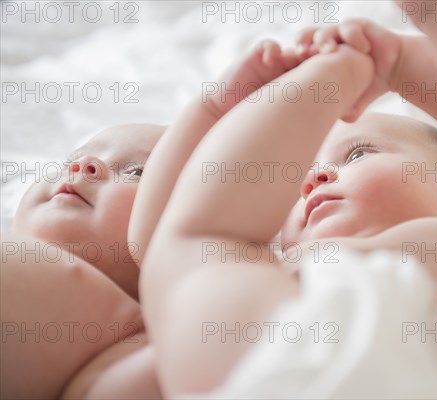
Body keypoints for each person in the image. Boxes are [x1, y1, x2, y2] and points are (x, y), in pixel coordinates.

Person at [138, 1, 437, 399]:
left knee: (196, 241)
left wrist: (410, 67)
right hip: (296, 352)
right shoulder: (274, 262)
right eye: (291, 179)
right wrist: (218, 108)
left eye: (358, 153)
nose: (313, 178)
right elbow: (147, 236)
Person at [0, 42, 306, 399]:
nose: (83, 166)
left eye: (135, 171)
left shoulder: (142, 339)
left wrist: (215, 110)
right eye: (77, 155)